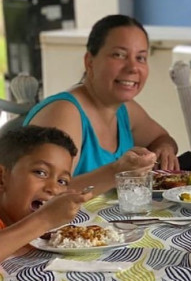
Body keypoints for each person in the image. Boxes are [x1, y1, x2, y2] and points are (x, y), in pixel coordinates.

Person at [25, 14, 179, 195]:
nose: (132, 68)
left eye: (141, 58)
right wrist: (116, 172)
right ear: (89, 62)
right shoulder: (66, 112)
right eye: (119, 55)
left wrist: (164, 149)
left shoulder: (125, 109)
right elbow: (43, 194)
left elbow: (162, 138)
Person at [0, 126, 93, 273]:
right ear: (0, 178)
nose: (53, 188)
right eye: (40, 172)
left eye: (62, 181)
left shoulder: (40, 232)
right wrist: (45, 219)